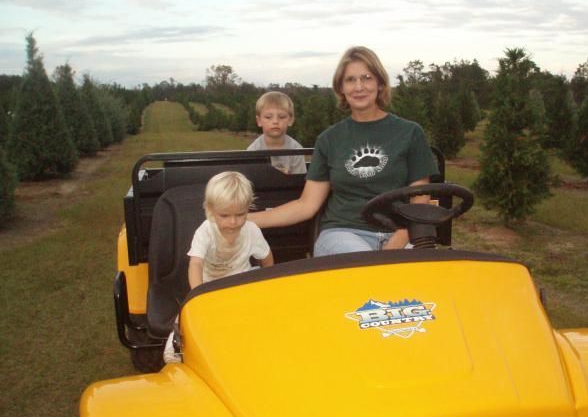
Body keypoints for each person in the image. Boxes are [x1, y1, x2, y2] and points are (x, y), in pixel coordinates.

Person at [249, 46, 439, 256]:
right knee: (362, 269)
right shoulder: (329, 140)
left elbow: (420, 198)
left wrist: (399, 240)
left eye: (366, 77)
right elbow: (306, 205)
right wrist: (246, 220)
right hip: (344, 233)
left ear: (380, 83)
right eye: (350, 80)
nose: (359, 87)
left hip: (401, 233)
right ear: (341, 88)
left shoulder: (410, 133)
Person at [164, 171, 274, 363]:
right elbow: (196, 263)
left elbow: (267, 258)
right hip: (209, 285)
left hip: (240, 283)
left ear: (249, 208)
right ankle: (176, 351)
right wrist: (199, 295)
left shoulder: (252, 231)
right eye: (224, 215)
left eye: (240, 214)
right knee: (184, 322)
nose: (233, 222)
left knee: (255, 323)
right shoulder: (206, 231)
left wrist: (267, 283)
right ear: (210, 210)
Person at [247, 91, 307, 174]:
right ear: (259, 121)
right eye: (268, 117)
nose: (275, 121)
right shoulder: (253, 151)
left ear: (290, 120)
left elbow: (298, 182)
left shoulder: (296, 150)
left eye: (282, 117)